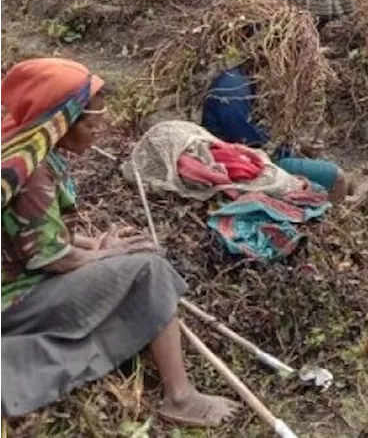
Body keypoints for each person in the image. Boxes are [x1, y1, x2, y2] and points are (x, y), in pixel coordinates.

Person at [0, 58, 239, 425]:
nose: (99, 131)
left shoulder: (24, 150)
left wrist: (94, 245)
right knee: (149, 268)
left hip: (18, 280)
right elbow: (49, 258)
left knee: (132, 260)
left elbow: (28, 232)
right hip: (16, 299)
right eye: (91, 123)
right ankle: (180, 397)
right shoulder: (33, 175)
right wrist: (112, 253)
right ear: (60, 123)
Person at [201, 64, 364, 204]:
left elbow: (262, 132)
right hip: (242, 165)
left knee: (322, 169)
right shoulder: (233, 88)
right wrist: (294, 148)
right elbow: (254, 146)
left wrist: (299, 145)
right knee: (337, 176)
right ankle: (333, 214)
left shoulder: (245, 79)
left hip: (251, 155)